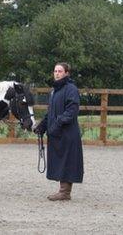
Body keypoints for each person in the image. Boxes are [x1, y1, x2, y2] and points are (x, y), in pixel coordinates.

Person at [34, 62, 83, 201]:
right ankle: (63, 191)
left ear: (67, 73)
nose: (57, 73)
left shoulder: (71, 89)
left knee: (67, 160)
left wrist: (57, 124)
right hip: (57, 133)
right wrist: (42, 126)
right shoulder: (54, 91)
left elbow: (72, 110)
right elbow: (50, 112)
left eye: (60, 71)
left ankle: (65, 192)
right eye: (55, 71)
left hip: (68, 133)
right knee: (61, 160)